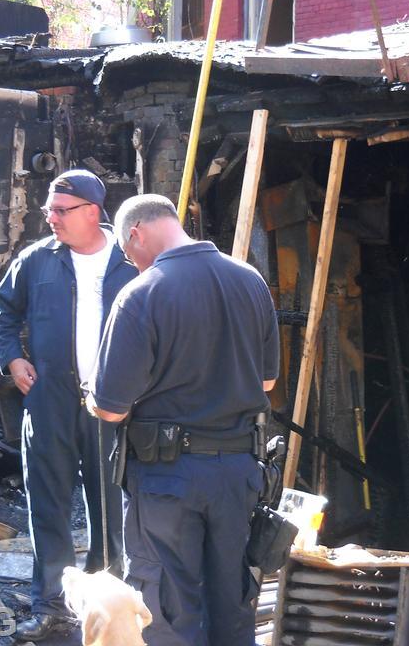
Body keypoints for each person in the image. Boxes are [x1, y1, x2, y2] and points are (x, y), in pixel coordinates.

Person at [87, 193, 280, 646]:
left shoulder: (141, 294)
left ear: (135, 233)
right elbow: (267, 383)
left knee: (167, 610)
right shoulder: (250, 281)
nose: (130, 262)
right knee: (232, 602)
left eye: (125, 251)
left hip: (167, 480)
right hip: (239, 473)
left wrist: (92, 397)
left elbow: (111, 408)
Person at [0, 169, 137, 641]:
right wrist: (13, 360)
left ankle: (106, 600)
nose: (50, 218)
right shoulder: (37, 260)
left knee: (110, 506)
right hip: (50, 400)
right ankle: (52, 606)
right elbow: (3, 312)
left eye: (60, 211)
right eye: (48, 210)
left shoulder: (130, 261)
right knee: (48, 506)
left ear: (93, 212)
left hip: (113, 405)